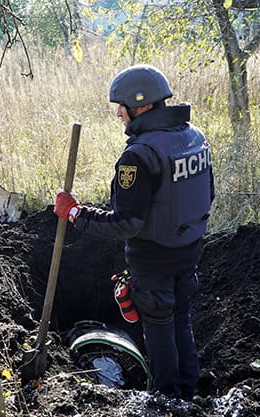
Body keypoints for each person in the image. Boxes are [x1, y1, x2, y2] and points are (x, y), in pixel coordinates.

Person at [53, 64, 215, 401]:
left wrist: (75, 214)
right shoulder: (194, 138)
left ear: (140, 106)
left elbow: (126, 223)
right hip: (189, 250)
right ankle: (188, 391)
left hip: (153, 261)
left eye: (121, 106)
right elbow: (207, 195)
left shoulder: (138, 156)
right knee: (181, 321)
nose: (118, 114)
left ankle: (167, 399)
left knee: (158, 330)